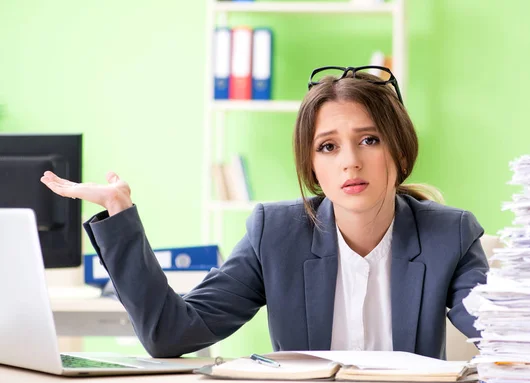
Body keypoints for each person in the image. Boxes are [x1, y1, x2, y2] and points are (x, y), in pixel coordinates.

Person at [41, 66, 488, 359]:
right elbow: (171, 334)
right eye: (327, 146)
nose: (350, 161)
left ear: (399, 148)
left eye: (369, 139)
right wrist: (119, 213)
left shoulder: (451, 234)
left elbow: (509, 339)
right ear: (311, 166)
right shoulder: (276, 233)